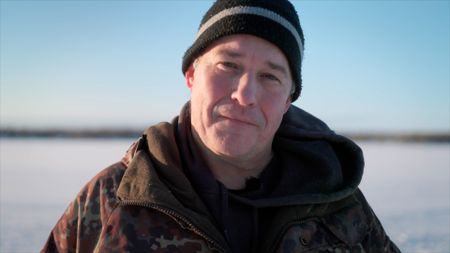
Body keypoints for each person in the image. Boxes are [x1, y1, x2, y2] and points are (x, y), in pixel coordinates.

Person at [42, 0, 400, 252]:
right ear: (191, 74)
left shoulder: (339, 205)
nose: (245, 94)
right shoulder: (112, 199)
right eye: (228, 65)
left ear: (289, 98)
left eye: (270, 76)